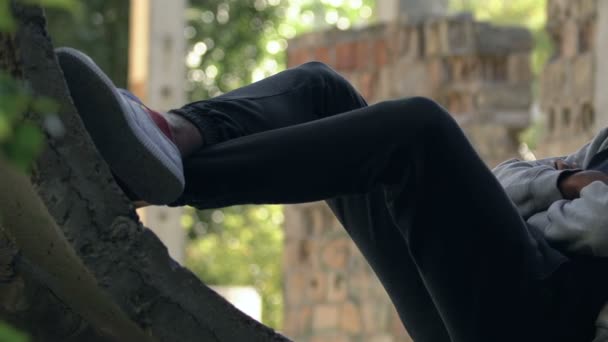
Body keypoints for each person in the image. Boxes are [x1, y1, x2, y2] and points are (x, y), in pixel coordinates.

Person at [55, 47, 608, 342]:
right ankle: (167, 138)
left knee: (417, 130)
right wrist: (560, 185)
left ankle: (155, 169)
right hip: (504, 298)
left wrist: (535, 208)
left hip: (555, 324)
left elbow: (595, 224)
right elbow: (507, 181)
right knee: (323, 88)